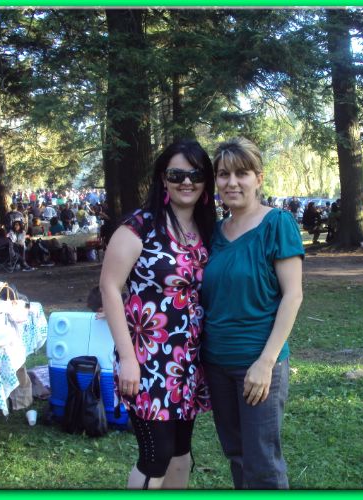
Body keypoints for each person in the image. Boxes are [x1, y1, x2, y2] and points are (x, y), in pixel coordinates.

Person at [99, 139, 216, 489]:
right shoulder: (139, 227)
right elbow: (109, 288)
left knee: (181, 453)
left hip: (188, 361)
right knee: (156, 456)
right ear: (162, 179)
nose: (186, 182)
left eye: (195, 174)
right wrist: (127, 359)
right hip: (147, 360)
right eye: (177, 174)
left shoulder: (207, 229)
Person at [201, 137, 304, 489]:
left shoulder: (277, 223)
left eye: (241, 173)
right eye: (223, 174)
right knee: (236, 454)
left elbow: (293, 295)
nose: (232, 182)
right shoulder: (214, 232)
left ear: (259, 178)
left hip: (258, 362)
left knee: (262, 463)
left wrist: (266, 362)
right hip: (216, 362)